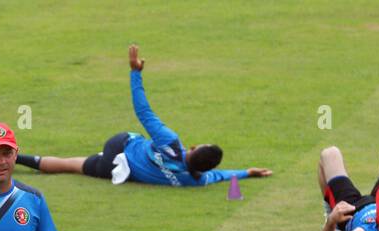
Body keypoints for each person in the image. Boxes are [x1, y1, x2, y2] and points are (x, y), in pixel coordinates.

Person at [15, 46, 272, 187]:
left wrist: (135, 72)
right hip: (117, 172)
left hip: (120, 145)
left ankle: (16, 156)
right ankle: (17, 158)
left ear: (194, 147)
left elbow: (143, 111)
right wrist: (247, 172)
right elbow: (220, 176)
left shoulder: (170, 142)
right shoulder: (193, 181)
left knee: (69, 162)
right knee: (69, 165)